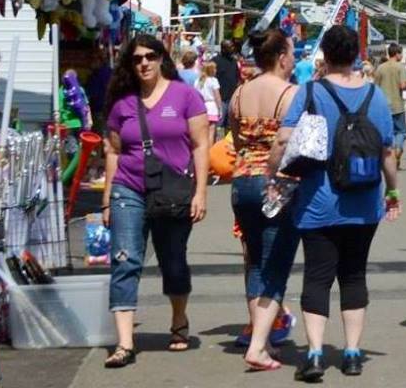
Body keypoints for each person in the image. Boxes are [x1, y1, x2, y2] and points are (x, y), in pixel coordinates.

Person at [268, 25, 400, 381]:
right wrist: (393, 192)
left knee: (317, 276)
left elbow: (283, 140)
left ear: (324, 55)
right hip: (364, 202)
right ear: (357, 54)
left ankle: (313, 354)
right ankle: (353, 352)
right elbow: (388, 152)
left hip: (318, 200)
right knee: (354, 275)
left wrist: (274, 175)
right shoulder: (375, 96)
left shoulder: (310, 91)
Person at [100, 34, 210, 369]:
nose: (144, 63)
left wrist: (201, 191)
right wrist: (107, 198)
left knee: (172, 261)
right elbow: (114, 151)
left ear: (162, 58)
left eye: (150, 56)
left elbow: (200, 145)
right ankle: (124, 343)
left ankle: (178, 320)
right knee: (125, 260)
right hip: (128, 188)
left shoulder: (186, 96)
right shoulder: (122, 104)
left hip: (173, 191)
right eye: (136, 59)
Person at [230, 31, 301, 372]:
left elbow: (236, 135)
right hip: (277, 184)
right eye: (291, 52)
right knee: (276, 264)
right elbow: (296, 142)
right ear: (282, 57)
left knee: (255, 259)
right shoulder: (291, 94)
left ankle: (261, 333)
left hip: (241, 180)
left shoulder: (240, 92)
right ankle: (258, 346)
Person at [373, 44, 406, 169]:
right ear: (397, 54)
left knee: (387, 131)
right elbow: (402, 85)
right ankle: (398, 149)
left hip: (383, 106)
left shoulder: (380, 68)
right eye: (401, 53)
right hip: (397, 104)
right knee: (400, 131)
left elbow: (375, 86)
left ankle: (389, 153)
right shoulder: (400, 67)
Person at [216, 38, 243, 118]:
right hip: (221, 99)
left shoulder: (233, 61)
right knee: (219, 124)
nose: (233, 49)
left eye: (233, 47)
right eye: (230, 47)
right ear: (223, 49)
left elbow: (237, 77)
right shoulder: (215, 61)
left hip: (232, 98)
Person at [198, 60, 223, 133]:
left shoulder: (198, 81)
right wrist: (220, 109)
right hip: (212, 107)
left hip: (201, 107)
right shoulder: (213, 80)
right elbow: (217, 96)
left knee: (203, 132)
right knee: (211, 131)